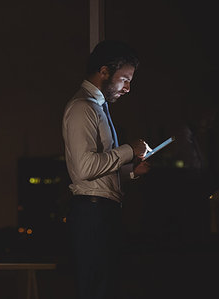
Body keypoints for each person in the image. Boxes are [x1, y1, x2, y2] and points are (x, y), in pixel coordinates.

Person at [62, 40, 150, 299]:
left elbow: (97, 167)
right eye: (124, 79)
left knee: (104, 288)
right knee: (96, 289)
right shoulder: (83, 108)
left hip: (100, 212)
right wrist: (128, 150)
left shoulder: (96, 107)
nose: (128, 88)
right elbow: (85, 167)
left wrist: (131, 172)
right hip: (93, 214)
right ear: (103, 72)